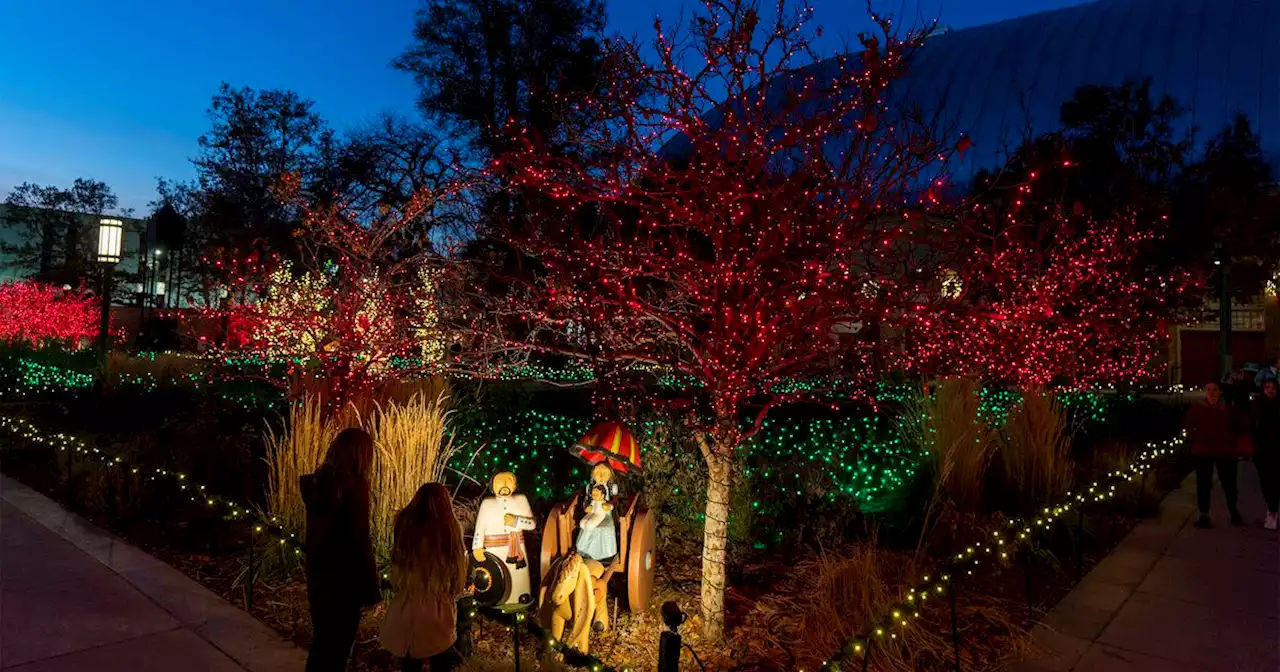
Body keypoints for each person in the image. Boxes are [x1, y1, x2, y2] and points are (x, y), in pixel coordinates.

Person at [301, 428, 382, 672]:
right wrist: (371, 588)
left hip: (320, 577)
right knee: (337, 647)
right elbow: (359, 541)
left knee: (322, 643)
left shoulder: (321, 481)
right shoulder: (353, 489)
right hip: (345, 581)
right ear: (359, 455)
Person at [380, 483, 468, 672]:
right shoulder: (450, 531)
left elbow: (396, 566)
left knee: (410, 661)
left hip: (407, 605)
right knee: (441, 659)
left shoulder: (405, 528)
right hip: (438, 608)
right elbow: (458, 573)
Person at [1184, 382, 1243, 528]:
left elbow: (1237, 427)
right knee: (1203, 483)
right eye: (1208, 390)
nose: (1211, 393)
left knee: (1229, 483)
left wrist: (1232, 442)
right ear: (1205, 392)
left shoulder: (1228, 409)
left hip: (1225, 451)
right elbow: (1189, 425)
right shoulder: (1197, 408)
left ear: (1220, 392)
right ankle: (1204, 514)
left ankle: (1233, 511)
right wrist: (1195, 439)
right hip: (1203, 451)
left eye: (1215, 390)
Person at [1253, 379, 1280, 530]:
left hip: (1277, 450)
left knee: (1275, 482)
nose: (1270, 390)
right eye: (1267, 387)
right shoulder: (1258, 405)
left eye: (1273, 387)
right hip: (1262, 451)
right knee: (1265, 482)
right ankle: (1272, 508)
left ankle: (1272, 512)